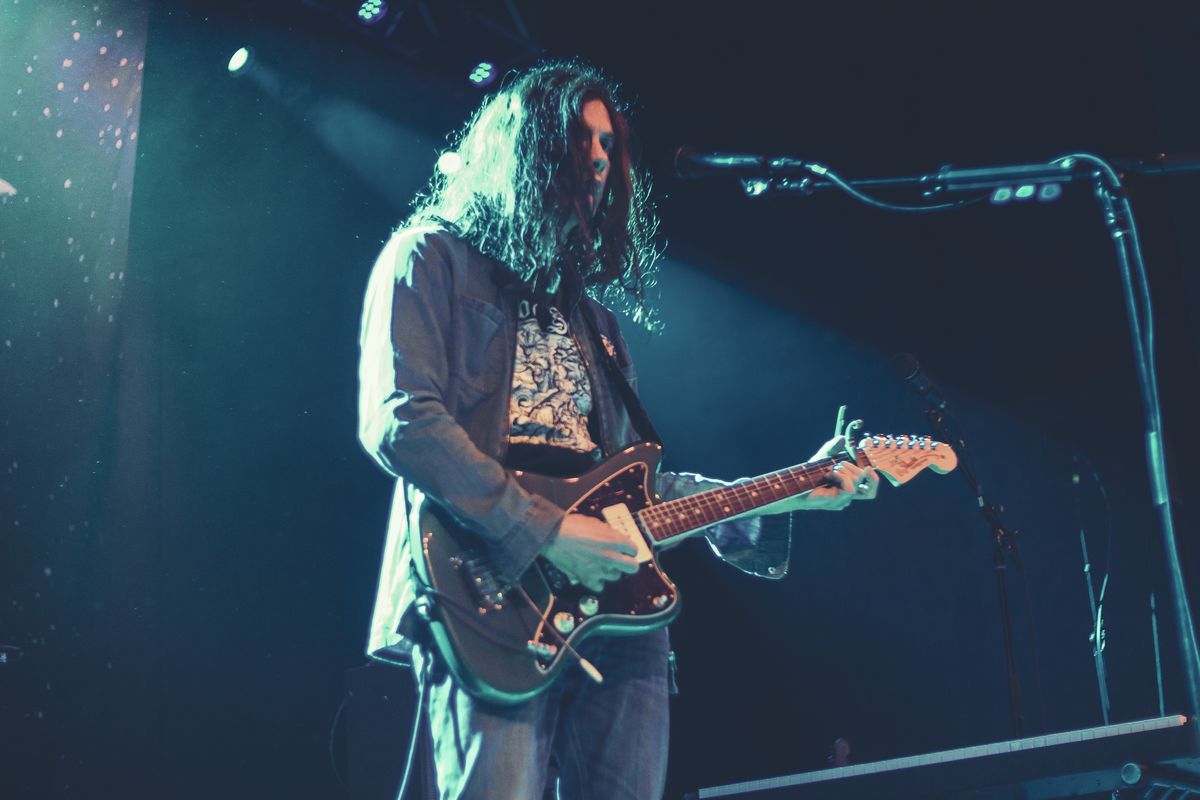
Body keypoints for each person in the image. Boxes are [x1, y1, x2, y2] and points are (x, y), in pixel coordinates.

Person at [357, 60, 879, 800]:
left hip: (620, 616)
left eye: (609, 143)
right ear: (526, 146)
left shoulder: (594, 323)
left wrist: (789, 490)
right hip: (486, 591)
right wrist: (543, 530)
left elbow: (638, 484)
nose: (600, 157)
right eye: (580, 138)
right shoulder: (429, 258)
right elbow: (400, 419)